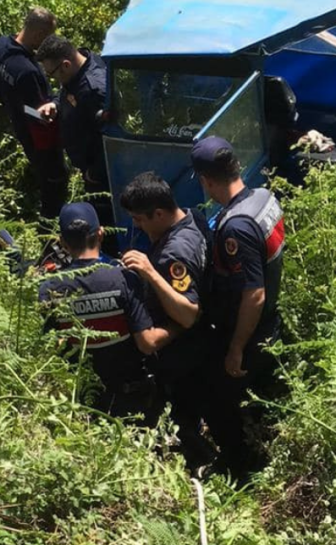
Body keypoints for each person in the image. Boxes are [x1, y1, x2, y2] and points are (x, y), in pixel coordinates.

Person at [190, 136, 286, 482]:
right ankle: (266, 450)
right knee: (260, 397)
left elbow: (254, 293)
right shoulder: (263, 198)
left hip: (249, 333)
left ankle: (238, 467)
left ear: (206, 180)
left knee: (218, 401)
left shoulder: (236, 226)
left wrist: (236, 348)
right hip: (270, 324)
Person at [39, 202, 174, 418]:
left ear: (63, 242)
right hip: (134, 398)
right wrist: (178, 327)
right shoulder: (124, 279)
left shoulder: (50, 289)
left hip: (83, 403)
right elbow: (147, 343)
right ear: (101, 233)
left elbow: (50, 350)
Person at [119, 171, 215, 469]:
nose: (136, 225)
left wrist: (149, 272)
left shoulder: (173, 255)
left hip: (185, 355)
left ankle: (201, 463)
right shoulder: (194, 217)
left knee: (184, 416)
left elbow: (187, 313)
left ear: (158, 212)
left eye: (140, 219)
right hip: (201, 346)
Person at [0, 8, 68, 219]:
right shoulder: (27, 72)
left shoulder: (1, 45)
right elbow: (42, 115)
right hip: (38, 137)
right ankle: (50, 222)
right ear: (39, 34)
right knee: (54, 179)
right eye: (48, 37)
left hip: (18, 121)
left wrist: (12, 104)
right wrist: (59, 101)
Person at [35, 34, 113, 234]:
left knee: (106, 225)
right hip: (89, 169)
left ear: (66, 65)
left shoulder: (95, 90)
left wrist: (95, 172)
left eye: (53, 74)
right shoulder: (77, 70)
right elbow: (66, 93)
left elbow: (109, 138)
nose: (54, 79)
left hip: (100, 177)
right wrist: (55, 104)